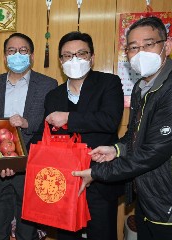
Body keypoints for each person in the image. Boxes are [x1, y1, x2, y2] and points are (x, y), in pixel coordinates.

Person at [72, 16, 172, 240]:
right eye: (133, 48)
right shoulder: (141, 87)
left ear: (167, 45)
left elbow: (152, 153)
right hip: (150, 198)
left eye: (149, 44)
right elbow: (135, 136)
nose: (140, 52)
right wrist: (116, 149)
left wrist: (97, 173)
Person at [43, 31, 124, 240]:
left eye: (81, 54)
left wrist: (69, 118)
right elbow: (49, 137)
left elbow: (109, 120)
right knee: (66, 235)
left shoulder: (109, 83)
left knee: (102, 234)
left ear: (92, 57)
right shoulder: (53, 95)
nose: (74, 60)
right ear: (61, 61)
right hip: (65, 181)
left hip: (100, 176)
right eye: (68, 55)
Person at [0, 32, 58, 240]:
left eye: (23, 51)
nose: (17, 55)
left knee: (28, 230)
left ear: (32, 56)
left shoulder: (48, 84)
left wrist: (27, 123)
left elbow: (54, 124)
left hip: (31, 164)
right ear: (5, 57)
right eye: (11, 51)